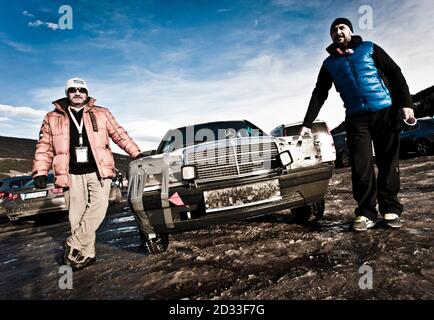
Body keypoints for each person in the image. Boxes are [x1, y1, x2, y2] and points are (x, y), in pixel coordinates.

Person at [299, 18, 415, 231]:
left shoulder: (369, 48)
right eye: (333, 30)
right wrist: (307, 122)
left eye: (341, 27)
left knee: (388, 161)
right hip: (355, 118)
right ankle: (366, 213)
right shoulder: (330, 64)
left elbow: (395, 73)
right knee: (361, 166)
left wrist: (406, 104)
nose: (337, 31)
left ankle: (391, 208)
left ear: (350, 31)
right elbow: (319, 92)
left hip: (384, 111)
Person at [32, 77, 143, 270]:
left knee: (98, 208)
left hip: (98, 171)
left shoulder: (102, 113)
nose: (77, 93)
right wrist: (40, 171)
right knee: (76, 216)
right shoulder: (52, 117)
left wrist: (137, 153)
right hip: (70, 174)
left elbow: (119, 134)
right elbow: (44, 146)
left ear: (87, 93)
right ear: (67, 93)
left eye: (81, 90)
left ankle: (74, 243)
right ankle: (86, 254)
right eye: (73, 90)